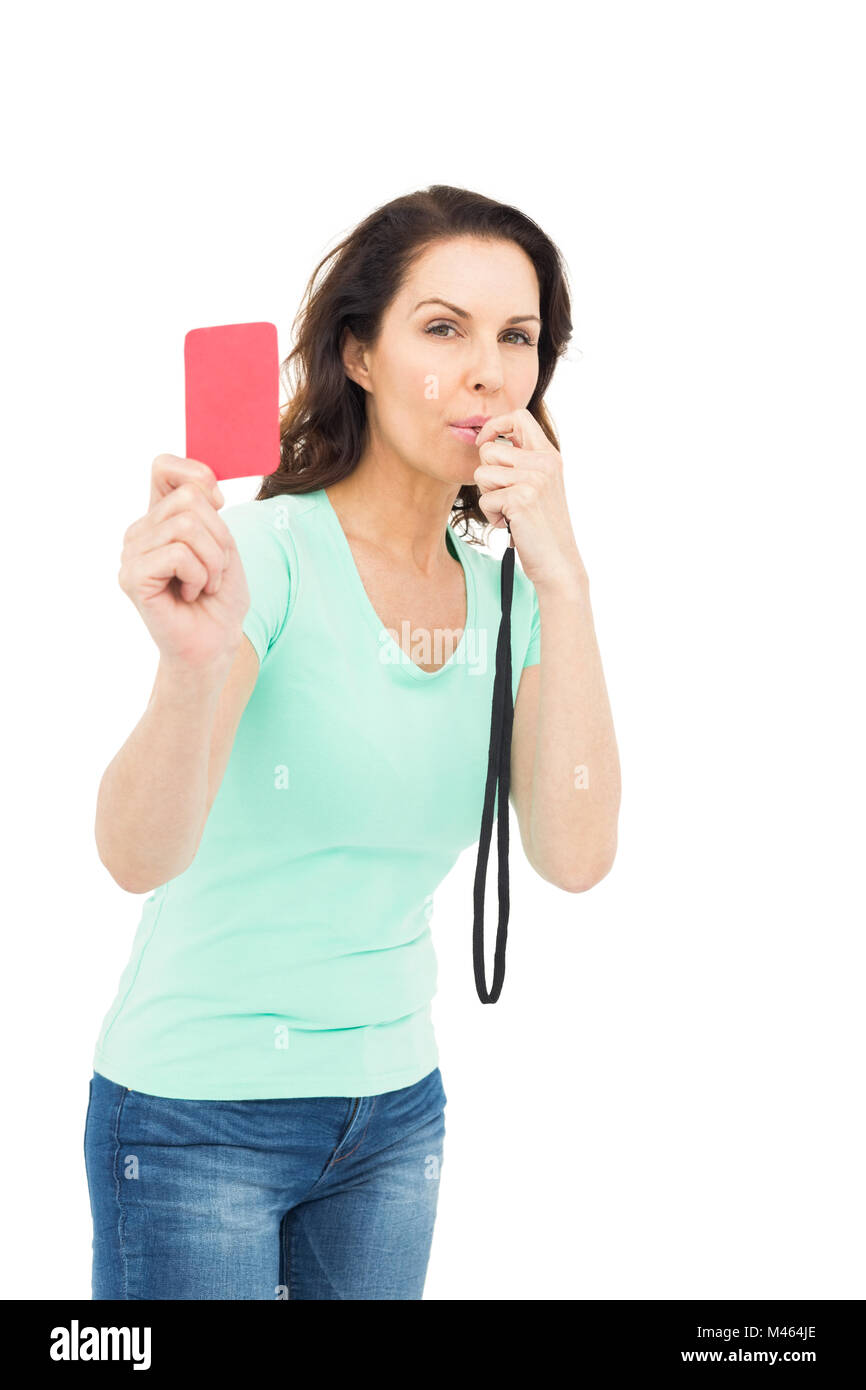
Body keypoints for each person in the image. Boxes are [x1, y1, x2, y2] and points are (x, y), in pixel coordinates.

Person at [84, 184, 621, 1300]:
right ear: (360, 357)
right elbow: (136, 854)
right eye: (441, 328)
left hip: (392, 1118)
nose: (486, 371)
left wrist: (562, 576)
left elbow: (573, 856)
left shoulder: (511, 595)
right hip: (197, 1117)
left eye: (514, 337)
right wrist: (191, 665)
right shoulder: (262, 556)